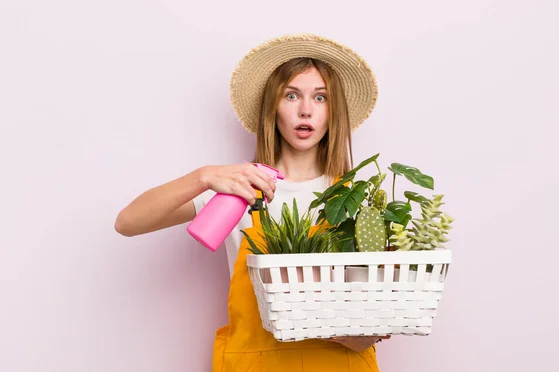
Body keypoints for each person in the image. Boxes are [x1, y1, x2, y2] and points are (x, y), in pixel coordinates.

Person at [115, 33, 386, 371]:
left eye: (321, 97)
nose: (306, 110)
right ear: (273, 106)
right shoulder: (239, 190)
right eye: (292, 95)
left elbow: (379, 298)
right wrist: (203, 176)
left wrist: (371, 334)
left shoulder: (358, 200)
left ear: (335, 112)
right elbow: (128, 222)